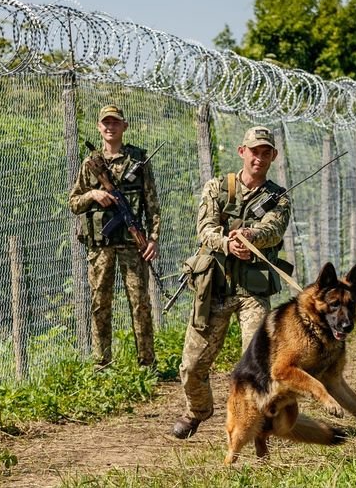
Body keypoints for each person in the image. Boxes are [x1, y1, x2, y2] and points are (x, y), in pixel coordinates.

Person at [172, 125, 291, 439]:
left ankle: (254, 422)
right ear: (242, 152)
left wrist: (250, 236)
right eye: (254, 151)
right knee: (192, 366)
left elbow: (274, 230)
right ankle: (197, 410)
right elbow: (205, 229)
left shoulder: (278, 198)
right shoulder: (217, 188)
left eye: (266, 153)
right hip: (215, 288)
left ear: (273, 157)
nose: (259, 158)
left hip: (253, 291)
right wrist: (227, 244)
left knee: (255, 364)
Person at [68, 104, 161, 370]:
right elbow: (74, 202)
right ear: (99, 127)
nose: (110, 127)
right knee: (100, 305)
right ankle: (102, 364)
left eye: (115, 122)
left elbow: (152, 204)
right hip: (100, 248)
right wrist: (93, 195)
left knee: (140, 305)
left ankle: (147, 364)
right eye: (105, 123)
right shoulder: (91, 164)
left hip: (132, 246)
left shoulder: (138, 161)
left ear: (124, 126)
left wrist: (152, 239)